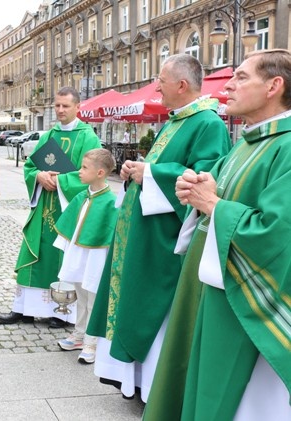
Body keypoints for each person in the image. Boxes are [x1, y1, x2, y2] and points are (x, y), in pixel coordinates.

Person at [144, 49, 291, 421]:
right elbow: (220, 197)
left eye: (241, 77)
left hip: (249, 300)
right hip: (212, 286)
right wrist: (202, 188)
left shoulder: (287, 146)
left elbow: (278, 231)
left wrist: (214, 205)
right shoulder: (247, 142)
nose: (228, 84)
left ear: (275, 86)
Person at [86, 53, 231, 401]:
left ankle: (153, 386)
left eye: (161, 82)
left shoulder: (208, 123)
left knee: (154, 307)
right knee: (133, 299)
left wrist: (148, 173)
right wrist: (138, 169)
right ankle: (132, 379)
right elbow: (162, 165)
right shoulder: (174, 121)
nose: (157, 88)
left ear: (181, 85)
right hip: (144, 233)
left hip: (166, 240)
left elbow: (205, 175)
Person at [0, 86, 101, 329]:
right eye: (57, 105)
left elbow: (94, 174)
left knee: (63, 257)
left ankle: (61, 312)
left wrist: (60, 181)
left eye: (65, 106)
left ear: (78, 107)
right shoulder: (47, 135)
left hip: (70, 210)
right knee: (36, 253)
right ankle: (25, 309)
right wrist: (39, 177)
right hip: (44, 205)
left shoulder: (88, 137)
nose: (60, 110)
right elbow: (30, 166)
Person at [53, 148, 118, 364]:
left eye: (84, 168)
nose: (79, 171)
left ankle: (93, 341)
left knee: (93, 299)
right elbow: (73, 224)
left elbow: (110, 233)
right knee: (81, 296)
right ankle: (79, 334)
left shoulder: (110, 201)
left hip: (96, 257)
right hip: (79, 254)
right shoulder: (82, 196)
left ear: (100, 172)